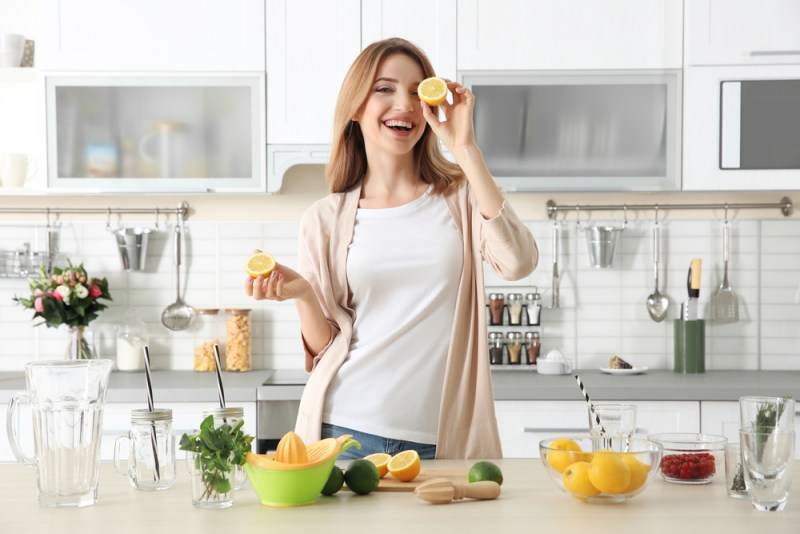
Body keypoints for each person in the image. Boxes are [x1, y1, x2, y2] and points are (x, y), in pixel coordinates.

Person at [246, 38, 537, 459]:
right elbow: (326, 344)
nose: (405, 103)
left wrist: (465, 149)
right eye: (385, 88)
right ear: (355, 106)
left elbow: (518, 263)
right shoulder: (323, 219)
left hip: (443, 440)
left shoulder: (462, 198)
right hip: (344, 431)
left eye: (418, 90)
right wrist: (304, 295)